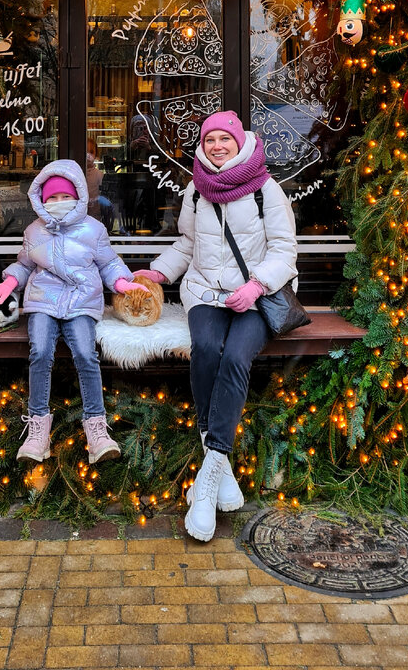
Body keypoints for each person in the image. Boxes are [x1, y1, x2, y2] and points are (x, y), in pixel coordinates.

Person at [140, 111, 298, 541]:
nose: (216, 146)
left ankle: (209, 477)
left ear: (239, 141)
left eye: (223, 139)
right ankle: (220, 470)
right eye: (209, 140)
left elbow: (285, 249)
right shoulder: (196, 189)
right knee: (207, 350)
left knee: (235, 358)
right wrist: (159, 273)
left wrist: (257, 285)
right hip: (205, 293)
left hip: (255, 297)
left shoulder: (266, 189)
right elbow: (188, 244)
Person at [0, 158, 149, 465]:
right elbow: (24, 264)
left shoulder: (94, 229)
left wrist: (122, 282)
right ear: (42, 200)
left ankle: (97, 430)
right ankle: (37, 431)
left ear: (78, 196)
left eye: (65, 197)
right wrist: (9, 283)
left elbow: (108, 263)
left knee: (86, 354)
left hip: (80, 301)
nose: (59, 203)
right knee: (41, 350)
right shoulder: (34, 231)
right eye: (52, 198)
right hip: (44, 300)